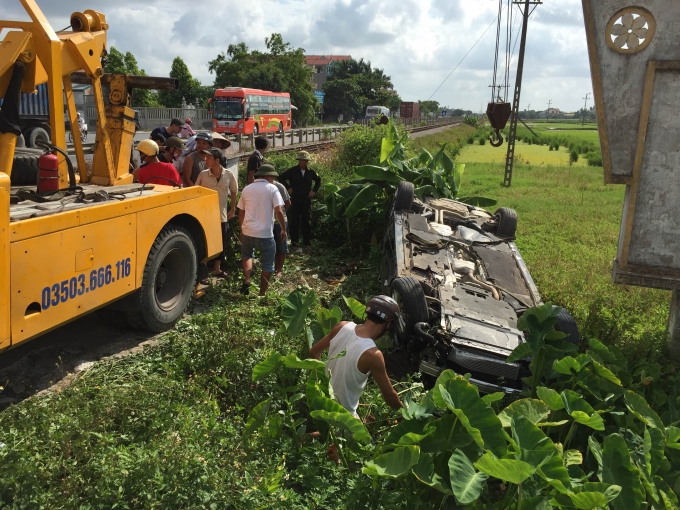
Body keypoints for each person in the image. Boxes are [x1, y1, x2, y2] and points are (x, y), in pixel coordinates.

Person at [309, 295, 403, 417]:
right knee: (362, 436)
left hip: (322, 402)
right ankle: (308, 436)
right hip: (343, 416)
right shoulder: (373, 354)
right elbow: (389, 396)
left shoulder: (342, 326)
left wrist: (321, 383)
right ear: (388, 324)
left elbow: (313, 352)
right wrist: (406, 415)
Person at [237, 164, 286, 297]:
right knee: (268, 264)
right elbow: (279, 211)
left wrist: (242, 229)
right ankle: (262, 293)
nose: (273, 179)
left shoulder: (247, 189)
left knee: (246, 255)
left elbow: (241, 212)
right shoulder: (273, 189)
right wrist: (283, 229)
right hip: (265, 233)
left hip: (248, 230)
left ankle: (247, 279)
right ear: (267, 176)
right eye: (272, 176)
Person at [195, 147, 238, 279]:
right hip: (205, 216)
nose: (206, 159)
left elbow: (234, 191)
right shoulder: (203, 175)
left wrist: (232, 209)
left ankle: (217, 269)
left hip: (222, 216)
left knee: (221, 243)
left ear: (217, 160)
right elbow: (196, 192)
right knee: (205, 244)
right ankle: (204, 274)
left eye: (209, 157)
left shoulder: (228, 175)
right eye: (206, 157)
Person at [278, 151, 321, 249]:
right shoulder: (293, 171)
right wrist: (288, 188)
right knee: (295, 221)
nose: (304, 162)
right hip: (295, 199)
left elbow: (319, 180)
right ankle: (294, 243)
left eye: (306, 160)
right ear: (299, 160)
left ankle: (307, 242)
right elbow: (281, 177)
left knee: (307, 220)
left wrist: (314, 191)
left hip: (306, 199)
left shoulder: (311, 172)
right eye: (302, 160)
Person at [271, 179, 291, 278]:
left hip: (279, 222)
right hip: (268, 221)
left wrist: (281, 214)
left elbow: (288, 203)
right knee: (271, 246)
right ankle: (273, 267)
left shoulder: (279, 186)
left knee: (281, 246)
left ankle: (279, 270)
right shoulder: (262, 186)